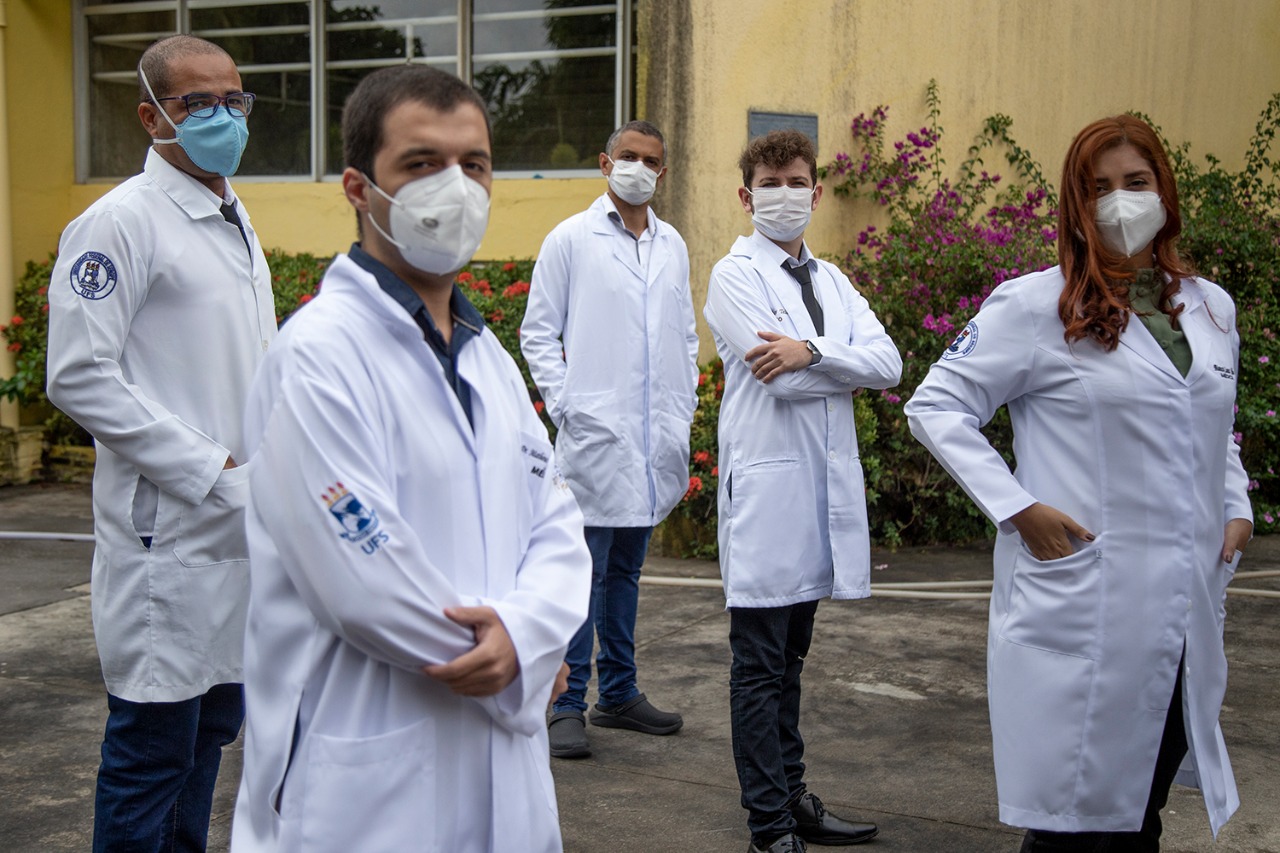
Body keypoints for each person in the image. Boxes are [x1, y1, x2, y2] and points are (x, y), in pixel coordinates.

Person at [229, 65, 592, 853]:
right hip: (367, 771)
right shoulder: (318, 356)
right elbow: (364, 580)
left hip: (506, 770)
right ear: (360, 187)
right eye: (421, 164)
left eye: (474, 164)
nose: (454, 186)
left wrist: (529, 635)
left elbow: (557, 520)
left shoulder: (487, 357)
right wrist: (516, 666)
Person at [905, 114, 1253, 851]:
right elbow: (937, 405)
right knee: (1073, 825)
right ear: (1075, 203)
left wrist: (1236, 501)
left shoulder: (1211, 308)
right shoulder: (1035, 305)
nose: (1121, 202)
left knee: (1142, 809)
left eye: (1136, 182)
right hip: (1087, 600)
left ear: (1165, 191)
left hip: (1185, 602)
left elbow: (1208, 421)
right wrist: (1018, 507)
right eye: (1099, 189)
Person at [45, 35, 273, 852]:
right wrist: (210, 467)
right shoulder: (118, 223)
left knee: (210, 733)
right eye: (196, 104)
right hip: (167, 533)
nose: (222, 118)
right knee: (151, 750)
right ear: (151, 117)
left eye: (233, 101)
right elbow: (77, 375)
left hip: (238, 526)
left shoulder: (231, 211)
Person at [704, 129, 902, 853]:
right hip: (768, 495)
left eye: (797, 180)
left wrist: (815, 349)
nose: (785, 192)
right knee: (757, 667)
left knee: (789, 662)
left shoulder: (835, 281)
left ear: (816, 193)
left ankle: (793, 798)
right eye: (771, 180)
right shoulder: (733, 274)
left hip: (816, 497)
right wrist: (830, 364)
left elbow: (888, 363)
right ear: (746, 192)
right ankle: (769, 824)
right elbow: (774, 375)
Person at [521, 120, 699, 759]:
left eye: (652, 160)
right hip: (595, 434)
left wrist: (685, 403)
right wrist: (569, 404)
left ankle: (618, 693)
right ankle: (567, 703)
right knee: (584, 572)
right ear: (605, 163)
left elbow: (681, 333)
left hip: (652, 438)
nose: (639, 168)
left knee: (627, 567)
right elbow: (539, 333)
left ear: (664, 172)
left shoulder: (671, 243)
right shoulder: (571, 238)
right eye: (629, 156)